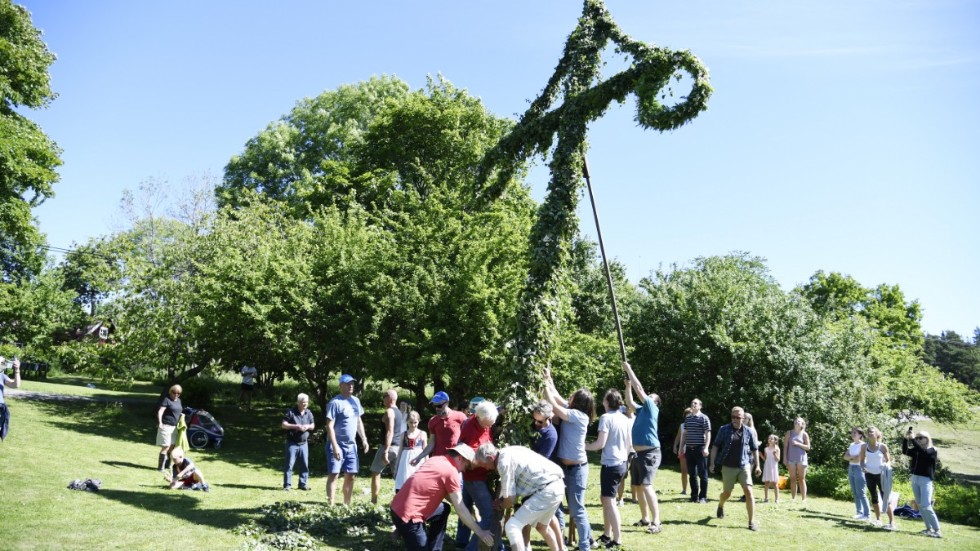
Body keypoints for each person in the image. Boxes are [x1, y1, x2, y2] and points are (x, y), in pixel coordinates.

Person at [390, 443, 493, 551]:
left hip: (396, 507)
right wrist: (480, 532)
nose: (464, 470)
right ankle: (405, 530)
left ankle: (434, 548)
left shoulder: (436, 460)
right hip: (409, 518)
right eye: (466, 465)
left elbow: (452, 498)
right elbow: (460, 508)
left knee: (443, 509)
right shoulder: (451, 472)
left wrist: (469, 512)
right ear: (459, 458)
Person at [474, 443, 566, 551]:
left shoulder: (503, 463)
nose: (486, 468)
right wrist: (503, 500)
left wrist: (500, 504)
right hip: (557, 486)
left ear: (490, 458)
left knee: (512, 526)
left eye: (484, 465)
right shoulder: (508, 450)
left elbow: (510, 499)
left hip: (547, 490)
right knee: (542, 526)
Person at [542, 366, 595, 551]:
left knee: (577, 509)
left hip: (577, 469)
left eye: (572, 396)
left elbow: (554, 405)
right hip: (564, 469)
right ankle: (570, 541)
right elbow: (556, 395)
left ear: (578, 401)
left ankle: (585, 546)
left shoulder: (579, 416)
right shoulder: (572, 411)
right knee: (561, 505)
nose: (569, 397)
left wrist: (544, 386)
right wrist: (548, 379)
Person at [455, 400, 504, 551]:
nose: (489, 427)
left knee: (465, 508)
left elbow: (496, 410)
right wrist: (488, 461)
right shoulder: (470, 430)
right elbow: (471, 459)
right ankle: (471, 548)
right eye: (487, 424)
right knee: (488, 516)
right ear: (479, 417)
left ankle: (461, 543)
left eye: (491, 424)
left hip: (477, 477)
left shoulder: (485, 418)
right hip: (475, 478)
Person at [585, 389, 630, 548]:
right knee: (605, 499)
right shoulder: (624, 418)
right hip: (621, 463)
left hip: (612, 464)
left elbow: (599, 444)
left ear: (606, 402)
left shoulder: (605, 418)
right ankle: (606, 534)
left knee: (610, 501)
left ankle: (617, 540)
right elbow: (628, 444)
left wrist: (582, 446)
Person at [622, 361, 663, 535]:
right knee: (638, 487)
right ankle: (645, 518)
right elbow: (629, 401)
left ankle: (656, 521)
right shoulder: (641, 410)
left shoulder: (652, 408)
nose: (647, 397)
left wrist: (629, 369)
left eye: (650, 396)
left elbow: (640, 389)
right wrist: (628, 386)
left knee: (646, 486)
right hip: (639, 454)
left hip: (650, 453)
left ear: (655, 402)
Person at [709, 406, 762, 531]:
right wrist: (712, 463)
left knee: (749, 491)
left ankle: (751, 522)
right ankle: (721, 505)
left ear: (743, 418)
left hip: (744, 466)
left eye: (738, 417)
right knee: (727, 493)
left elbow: (755, 449)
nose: (735, 419)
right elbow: (715, 446)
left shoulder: (749, 431)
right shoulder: (724, 429)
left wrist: (758, 466)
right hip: (728, 466)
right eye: (733, 417)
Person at [325, 373, 369, 505]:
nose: (351, 386)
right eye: (348, 384)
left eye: (352, 384)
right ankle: (330, 504)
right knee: (334, 474)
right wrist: (335, 446)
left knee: (351, 475)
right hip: (336, 444)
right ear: (341, 386)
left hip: (351, 445)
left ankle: (346, 504)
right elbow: (329, 425)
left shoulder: (355, 401)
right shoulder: (335, 402)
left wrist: (364, 439)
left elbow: (358, 421)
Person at [411, 391, 468, 466]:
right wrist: (419, 457)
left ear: (447, 403)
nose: (437, 408)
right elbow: (431, 443)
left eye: (439, 406)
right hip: (438, 461)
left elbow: (468, 438)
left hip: (455, 461)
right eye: (435, 406)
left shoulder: (460, 417)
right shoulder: (432, 421)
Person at [903, 428, 941, 538]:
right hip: (915, 479)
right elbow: (905, 451)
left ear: (927, 439)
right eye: (917, 437)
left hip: (925, 481)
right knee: (920, 506)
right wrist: (906, 439)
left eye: (920, 438)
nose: (918, 440)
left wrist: (913, 439)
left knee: (926, 505)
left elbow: (924, 453)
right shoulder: (917, 450)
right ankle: (929, 529)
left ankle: (937, 530)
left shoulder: (932, 450)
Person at [371, 389, 402, 505]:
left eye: (384, 396)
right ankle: (399, 501)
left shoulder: (390, 411)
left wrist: (386, 451)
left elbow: (390, 431)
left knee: (375, 472)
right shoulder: (399, 412)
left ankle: (373, 501)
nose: (383, 399)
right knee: (398, 477)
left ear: (389, 398)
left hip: (389, 447)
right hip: (398, 447)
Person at [860, 426, 894, 529]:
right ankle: (878, 520)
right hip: (869, 475)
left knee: (885, 498)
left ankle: (892, 523)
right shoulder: (864, 447)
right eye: (869, 432)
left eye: (872, 432)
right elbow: (862, 460)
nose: (870, 434)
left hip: (881, 475)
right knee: (874, 497)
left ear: (877, 434)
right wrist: (863, 467)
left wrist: (886, 465)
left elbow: (888, 460)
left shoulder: (882, 447)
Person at [282, 393, 315, 491]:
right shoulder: (290, 412)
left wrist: (307, 427)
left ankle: (303, 484)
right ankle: (287, 485)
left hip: (304, 443)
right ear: (298, 402)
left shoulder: (308, 413)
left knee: (304, 464)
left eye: (306, 402)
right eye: (303, 402)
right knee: (289, 465)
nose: (305, 404)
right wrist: (296, 426)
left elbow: (313, 425)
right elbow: (284, 425)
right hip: (292, 443)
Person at [681, 398, 711, 503]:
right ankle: (694, 496)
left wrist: (706, 447)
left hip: (700, 448)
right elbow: (685, 433)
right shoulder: (688, 418)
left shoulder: (704, 418)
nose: (693, 404)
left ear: (700, 406)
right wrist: (681, 448)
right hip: (689, 449)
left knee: (703, 474)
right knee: (692, 474)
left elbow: (708, 433)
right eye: (692, 403)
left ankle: (703, 497)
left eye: (695, 403)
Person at [395, 410, 427, 492]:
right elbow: (400, 451)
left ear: (419, 421)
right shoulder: (404, 434)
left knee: (418, 480)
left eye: (415, 422)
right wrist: (396, 466)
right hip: (405, 460)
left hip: (418, 459)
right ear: (407, 422)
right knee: (404, 478)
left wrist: (427, 465)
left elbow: (426, 451)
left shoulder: (422, 434)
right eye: (411, 422)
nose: (413, 425)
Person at [842, 427, 869, 519]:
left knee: (861, 492)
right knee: (855, 492)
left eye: (855, 433)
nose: (853, 434)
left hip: (859, 468)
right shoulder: (852, 444)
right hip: (851, 468)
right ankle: (859, 512)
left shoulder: (863, 445)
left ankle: (867, 514)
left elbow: (859, 458)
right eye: (852, 432)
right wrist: (852, 457)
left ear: (860, 435)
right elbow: (845, 457)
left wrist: (851, 457)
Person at [155, 384, 183, 472]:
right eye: (174, 392)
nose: (176, 395)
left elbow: (179, 411)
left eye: (178, 393)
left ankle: (167, 465)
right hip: (166, 426)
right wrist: (160, 423)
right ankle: (160, 468)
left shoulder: (179, 401)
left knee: (172, 447)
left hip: (175, 427)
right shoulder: (166, 400)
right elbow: (160, 411)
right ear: (170, 392)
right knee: (166, 446)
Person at [783, 417, 811, 502]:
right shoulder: (789, 433)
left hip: (801, 459)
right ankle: (793, 498)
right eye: (796, 421)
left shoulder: (804, 434)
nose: (797, 422)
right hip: (791, 459)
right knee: (793, 479)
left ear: (802, 424)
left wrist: (798, 444)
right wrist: (784, 458)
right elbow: (785, 446)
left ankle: (803, 499)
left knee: (802, 479)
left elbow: (808, 447)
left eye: (799, 421)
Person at [0, 356, 22, 441]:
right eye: (3, 363)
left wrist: (17, 370)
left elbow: (15, 385)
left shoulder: (2, 375)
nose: (4, 365)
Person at [672, 407, 692, 496]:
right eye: (687, 416)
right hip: (683, 450)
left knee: (693, 472)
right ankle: (684, 490)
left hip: (692, 450)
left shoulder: (696, 425)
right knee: (684, 471)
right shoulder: (682, 425)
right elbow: (678, 436)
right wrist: (675, 445)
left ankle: (694, 490)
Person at [762, 434, 781, 503]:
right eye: (769, 438)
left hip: (773, 467)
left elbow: (778, 459)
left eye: (771, 438)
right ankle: (766, 498)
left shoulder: (777, 449)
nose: (769, 439)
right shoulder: (766, 449)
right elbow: (765, 459)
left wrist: (775, 454)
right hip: (767, 466)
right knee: (767, 483)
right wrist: (761, 455)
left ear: (775, 441)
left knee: (775, 483)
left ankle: (777, 499)